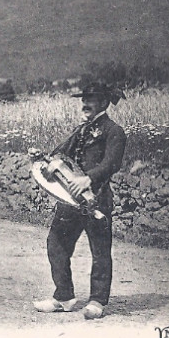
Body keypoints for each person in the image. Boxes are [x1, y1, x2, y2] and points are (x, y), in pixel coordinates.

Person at [33, 81, 127, 320]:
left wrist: (89, 179)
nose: (85, 103)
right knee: (56, 243)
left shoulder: (114, 131)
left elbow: (112, 163)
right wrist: (48, 163)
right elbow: (61, 153)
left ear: (104, 102)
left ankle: (97, 301)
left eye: (91, 99)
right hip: (69, 201)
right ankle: (64, 296)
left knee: (100, 251)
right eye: (84, 99)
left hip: (97, 199)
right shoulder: (80, 130)